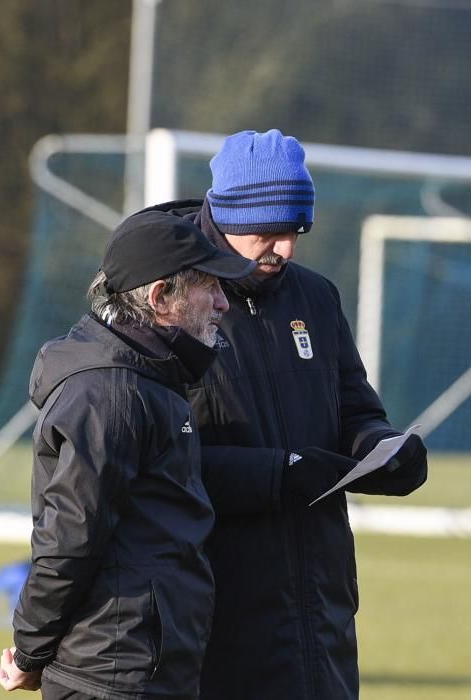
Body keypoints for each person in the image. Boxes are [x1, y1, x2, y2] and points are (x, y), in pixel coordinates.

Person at [140, 130, 428, 700]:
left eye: (295, 231)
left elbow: (353, 407)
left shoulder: (317, 298)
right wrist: (280, 474)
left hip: (321, 606)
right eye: (268, 232)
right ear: (223, 217)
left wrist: (383, 447)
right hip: (215, 608)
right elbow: (158, 459)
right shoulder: (166, 304)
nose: (286, 248)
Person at [0, 209, 256, 700]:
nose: (224, 303)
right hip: (111, 677)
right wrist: (30, 651)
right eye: (210, 288)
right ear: (160, 298)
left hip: (145, 668)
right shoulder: (110, 394)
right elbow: (71, 540)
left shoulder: (151, 377)